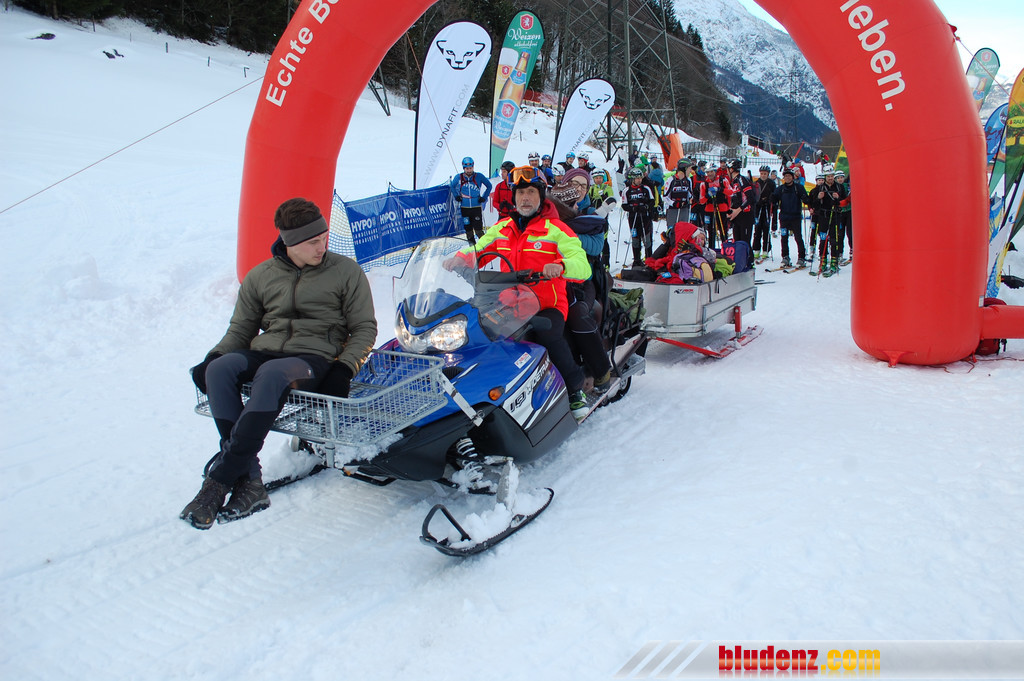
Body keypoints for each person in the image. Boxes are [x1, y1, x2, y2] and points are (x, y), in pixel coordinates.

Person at [181, 198, 378, 530]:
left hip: (314, 358)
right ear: (289, 243)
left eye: (324, 238)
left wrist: (345, 368)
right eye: (312, 242)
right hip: (268, 350)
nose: (321, 247)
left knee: (273, 372)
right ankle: (250, 482)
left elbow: (364, 329)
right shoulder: (261, 276)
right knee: (220, 369)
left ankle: (219, 481)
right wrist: (214, 356)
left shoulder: (345, 272)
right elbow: (241, 329)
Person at [446, 166, 594, 420]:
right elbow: (479, 249)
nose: (525, 198)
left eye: (531, 192)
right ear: (514, 197)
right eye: (521, 193)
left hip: (546, 303)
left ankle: (574, 388)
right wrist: (460, 258)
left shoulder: (556, 229)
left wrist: (561, 266)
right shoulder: (503, 227)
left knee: (549, 336)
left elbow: (583, 266)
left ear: (541, 196)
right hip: (507, 301)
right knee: (476, 331)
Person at [450, 156, 492, 242]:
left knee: (478, 230)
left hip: (476, 207)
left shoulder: (479, 176)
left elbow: (489, 186)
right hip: (465, 208)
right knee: (468, 230)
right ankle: (472, 246)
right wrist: (456, 196)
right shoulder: (459, 177)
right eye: (467, 169)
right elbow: (452, 186)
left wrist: (484, 197)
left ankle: (486, 246)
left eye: (470, 168)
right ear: (463, 168)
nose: (469, 171)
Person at [772, 168, 809, 268]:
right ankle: (785, 257)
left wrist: (805, 199)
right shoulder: (781, 189)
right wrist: (772, 199)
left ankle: (801, 257)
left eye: (789, 176)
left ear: (792, 177)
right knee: (784, 238)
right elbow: (774, 198)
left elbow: (806, 199)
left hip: (795, 217)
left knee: (798, 238)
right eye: (785, 176)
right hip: (784, 217)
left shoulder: (798, 187)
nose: (787, 178)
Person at [622, 167, 656, 266]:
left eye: (640, 178)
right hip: (633, 218)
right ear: (632, 179)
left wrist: (646, 206)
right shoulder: (627, 190)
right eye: (637, 178)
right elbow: (624, 205)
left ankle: (649, 259)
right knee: (635, 239)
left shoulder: (646, 189)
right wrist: (633, 208)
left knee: (647, 239)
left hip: (645, 217)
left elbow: (652, 201)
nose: (639, 180)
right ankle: (637, 260)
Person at [725, 159, 754, 247]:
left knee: (744, 243)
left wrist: (738, 210)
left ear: (731, 169)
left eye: (727, 169)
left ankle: (749, 256)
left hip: (746, 215)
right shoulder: (734, 181)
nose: (727, 172)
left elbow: (751, 198)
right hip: (737, 217)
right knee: (737, 243)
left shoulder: (741, 180)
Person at [752, 165, 776, 261]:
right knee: (757, 229)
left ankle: (766, 249)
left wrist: (769, 200)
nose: (763, 175)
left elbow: (774, 195)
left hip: (766, 207)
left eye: (765, 174)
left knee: (766, 228)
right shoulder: (756, 183)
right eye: (762, 173)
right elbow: (753, 195)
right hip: (758, 208)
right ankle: (756, 249)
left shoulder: (771, 183)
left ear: (768, 174)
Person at [835, 170, 852, 262]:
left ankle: (852, 251)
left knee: (850, 233)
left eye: (841, 177)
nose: (840, 179)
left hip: (848, 211)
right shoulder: (835, 187)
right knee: (840, 234)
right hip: (840, 213)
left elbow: (848, 198)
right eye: (838, 178)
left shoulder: (847, 186)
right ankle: (839, 252)